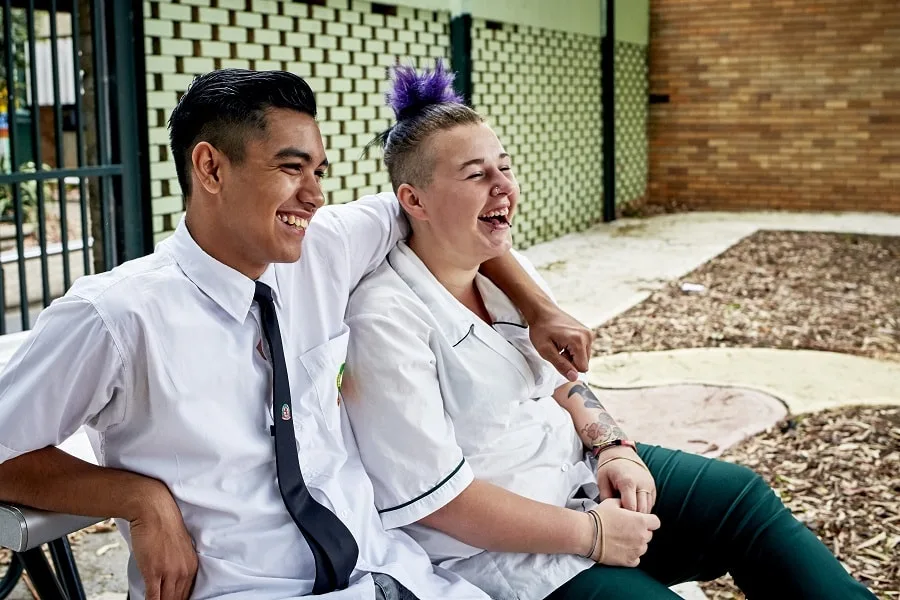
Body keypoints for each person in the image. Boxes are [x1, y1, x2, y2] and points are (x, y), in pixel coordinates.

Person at [0, 68, 595, 600]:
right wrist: (138, 500)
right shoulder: (117, 316)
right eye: (290, 169)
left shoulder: (324, 247)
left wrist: (537, 306)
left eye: (318, 171)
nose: (314, 195)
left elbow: (453, 216)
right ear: (210, 168)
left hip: (395, 575)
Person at [341, 62, 879, 600]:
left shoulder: (503, 270)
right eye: (477, 175)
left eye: (505, 167)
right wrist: (592, 535)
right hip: (505, 554)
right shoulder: (385, 320)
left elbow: (560, 379)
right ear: (413, 200)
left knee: (739, 499)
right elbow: (440, 502)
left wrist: (614, 447)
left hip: (578, 478)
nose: (505, 187)